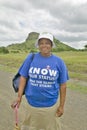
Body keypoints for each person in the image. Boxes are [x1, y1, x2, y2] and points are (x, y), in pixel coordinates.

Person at [11, 32, 69, 130]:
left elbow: (63, 85)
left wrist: (61, 106)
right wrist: (19, 97)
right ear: (38, 45)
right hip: (32, 105)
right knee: (31, 127)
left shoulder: (59, 62)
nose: (44, 45)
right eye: (41, 43)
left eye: (47, 43)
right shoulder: (31, 58)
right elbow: (23, 77)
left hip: (50, 106)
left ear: (51, 45)